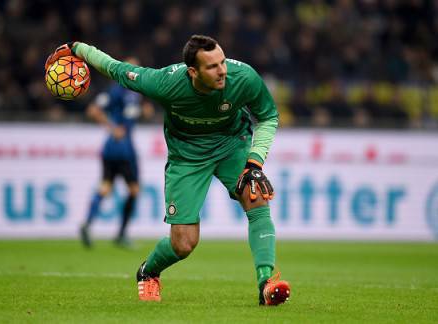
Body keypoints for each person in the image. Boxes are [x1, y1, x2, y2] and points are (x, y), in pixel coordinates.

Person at [45, 35, 290, 306]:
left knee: (255, 196)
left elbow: (268, 116)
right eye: (212, 66)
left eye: (222, 62)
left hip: (231, 145)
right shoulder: (165, 82)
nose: (222, 71)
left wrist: (255, 162)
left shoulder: (243, 78)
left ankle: (266, 283)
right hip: (187, 156)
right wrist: (77, 48)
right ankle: (148, 272)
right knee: (184, 244)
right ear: (193, 71)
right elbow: (114, 67)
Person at [80, 58, 154, 248]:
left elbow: (141, 112)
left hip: (111, 149)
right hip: (123, 149)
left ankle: (87, 224)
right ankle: (121, 235)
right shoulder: (116, 90)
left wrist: (145, 112)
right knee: (134, 190)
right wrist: (113, 128)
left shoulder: (135, 92)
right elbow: (93, 110)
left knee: (105, 186)